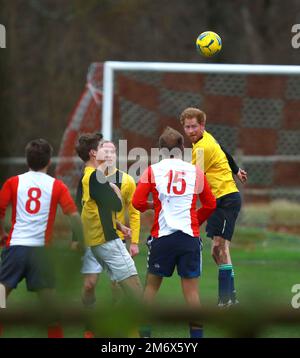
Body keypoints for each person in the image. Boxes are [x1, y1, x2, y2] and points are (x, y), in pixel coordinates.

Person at [132, 127, 216, 338]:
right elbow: (210, 204)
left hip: (163, 239)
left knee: (150, 290)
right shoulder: (195, 171)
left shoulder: (152, 170)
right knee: (192, 294)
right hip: (189, 238)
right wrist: (195, 220)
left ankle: (145, 338)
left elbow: (136, 202)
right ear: (182, 148)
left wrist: (153, 206)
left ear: (160, 150)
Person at [0, 138, 83, 338]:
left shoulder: (13, 182)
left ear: (28, 160)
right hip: (41, 253)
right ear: (49, 162)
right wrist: (79, 240)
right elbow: (73, 216)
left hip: (16, 248)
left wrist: (2, 233)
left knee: (1, 297)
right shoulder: (57, 186)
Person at [180, 107, 247, 307]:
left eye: (194, 126)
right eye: (187, 127)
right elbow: (224, 150)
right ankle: (231, 296)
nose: (191, 130)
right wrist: (236, 169)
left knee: (220, 247)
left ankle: (226, 299)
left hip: (227, 198)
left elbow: (195, 181)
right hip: (218, 201)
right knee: (216, 251)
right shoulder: (204, 140)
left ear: (202, 126)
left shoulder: (202, 149)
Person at [75, 134, 140, 337]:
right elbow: (117, 204)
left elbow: (91, 210)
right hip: (108, 242)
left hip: (99, 242)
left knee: (123, 291)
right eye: (103, 148)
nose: (108, 152)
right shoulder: (95, 176)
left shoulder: (87, 177)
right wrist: (115, 190)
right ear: (94, 153)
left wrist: (119, 224)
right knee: (137, 292)